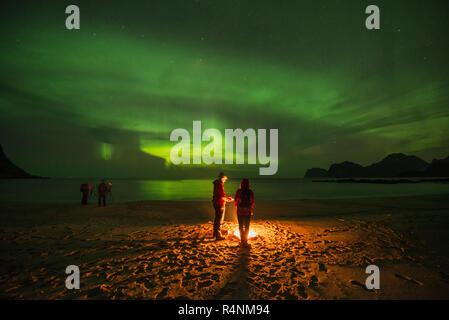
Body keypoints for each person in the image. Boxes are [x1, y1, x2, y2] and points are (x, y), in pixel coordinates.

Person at [212, 172, 233, 240]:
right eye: (225, 179)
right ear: (222, 178)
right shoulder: (219, 185)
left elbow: (220, 194)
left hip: (216, 202)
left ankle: (215, 233)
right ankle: (218, 235)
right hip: (219, 203)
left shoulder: (217, 184)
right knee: (219, 219)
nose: (225, 180)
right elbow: (221, 196)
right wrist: (228, 199)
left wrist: (226, 198)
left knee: (217, 218)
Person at [234, 179, 254, 247]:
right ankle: (245, 241)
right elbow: (252, 201)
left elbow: (235, 201)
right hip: (248, 211)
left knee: (241, 226)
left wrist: (237, 207)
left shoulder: (239, 191)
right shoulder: (250, 191)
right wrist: (250, 209)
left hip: (240, 211)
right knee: (247, 226)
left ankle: (242, 241)